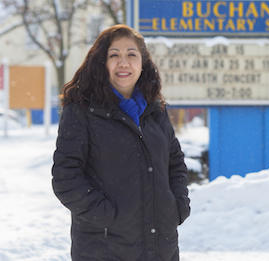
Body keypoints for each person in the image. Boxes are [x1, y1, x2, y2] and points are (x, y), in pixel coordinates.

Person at [52, 24, 190, 261]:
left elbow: (174, 162)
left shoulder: (155, 109)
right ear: (101, 62)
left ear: (143, 62)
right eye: (114, 55)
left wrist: (176, 206)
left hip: (160, 246)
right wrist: (108, 217)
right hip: (104, 248)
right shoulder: (82, 110)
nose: (123, 62)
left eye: (131, 55)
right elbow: (66, 177)